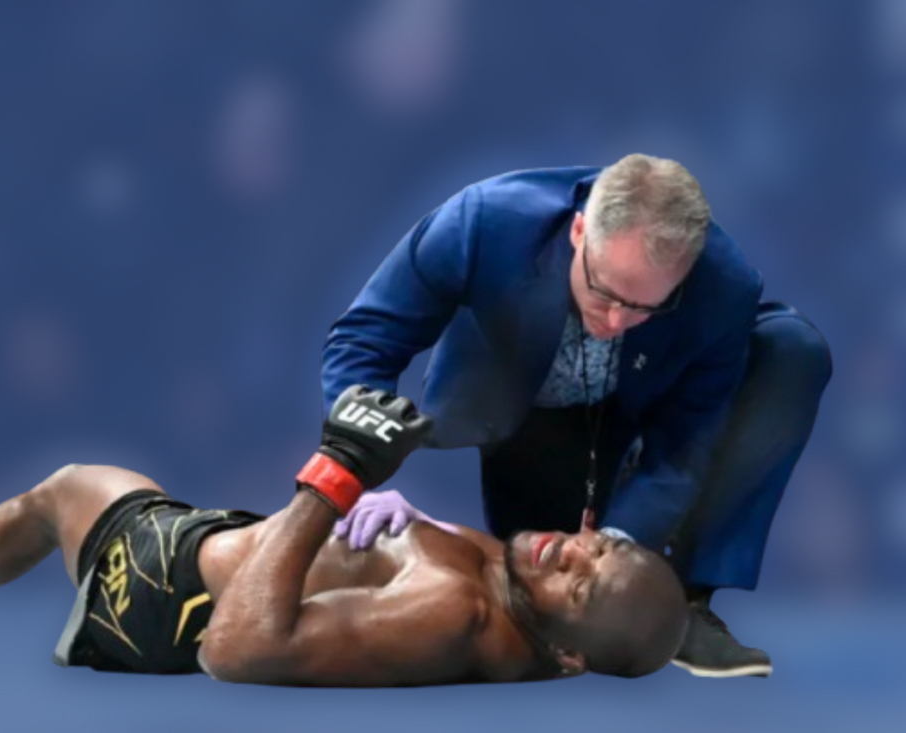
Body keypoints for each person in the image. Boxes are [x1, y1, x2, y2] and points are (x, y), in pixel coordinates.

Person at [321, 154, 833, 677]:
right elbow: (365, 340)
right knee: (519, 594)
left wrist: (620, 549)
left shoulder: (725, 284)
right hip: (519, 425)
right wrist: (361, 468)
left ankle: (687, 601)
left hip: (636, 417)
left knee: (792, 349)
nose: (615, 321)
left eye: (644, 307)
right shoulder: (486, 220)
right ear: (579, 232)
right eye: (605, 292)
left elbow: (686, 445)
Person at [0, 386, 688, 686]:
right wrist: (411, 520)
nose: (569, 549)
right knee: (88, 481)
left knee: (62, 488)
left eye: (580, 583)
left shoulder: (453, 610)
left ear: (570, 651)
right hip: (208, 549)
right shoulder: (514, 594)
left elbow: (236, 649)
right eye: (601, 545)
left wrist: (336, 474)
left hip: (161, 589)